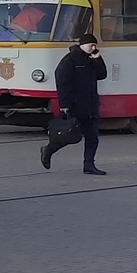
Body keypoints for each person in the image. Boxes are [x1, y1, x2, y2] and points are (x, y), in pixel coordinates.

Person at [41, 36, 109, 175]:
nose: (93, 48)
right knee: (69, 135)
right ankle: (49, 149)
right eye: (90, 45)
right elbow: (62, 82)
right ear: (82, 45)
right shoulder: (70, 60)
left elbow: (102, 75)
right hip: (74, 104)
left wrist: (98, 59)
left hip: (90, 104)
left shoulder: (91, 60)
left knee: (92, 137)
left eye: (95, 45)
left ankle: (89, 165)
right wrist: (64, 104)